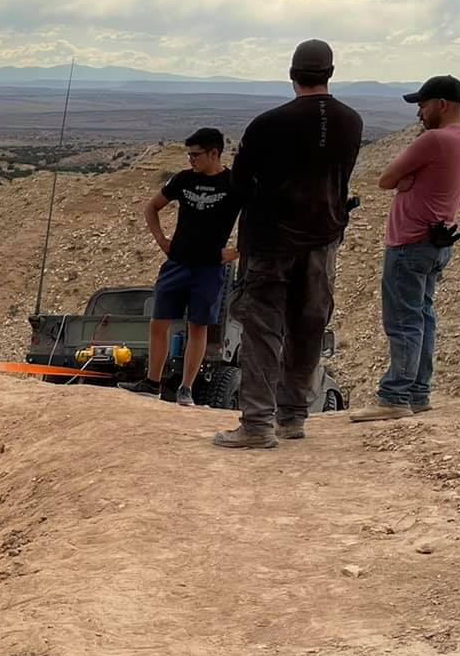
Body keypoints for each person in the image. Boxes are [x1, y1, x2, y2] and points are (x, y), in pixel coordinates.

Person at [211, 39, 363, 449]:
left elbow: (239, 184)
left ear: (292, 74)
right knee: (309, 327)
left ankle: (257, 425)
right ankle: (293, 417)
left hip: (269, 242)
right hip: (323, 240)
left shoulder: (267, 124)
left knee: (262, 331)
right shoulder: (352, 121)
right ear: (330, 73)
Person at [351, 75, 460, 422]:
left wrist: (405, 181)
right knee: (423, 316)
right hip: (437, 242)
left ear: (442, 105)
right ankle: (419, 393)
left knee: (403, 322)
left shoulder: (435, 140)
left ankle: (394, 397)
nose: (419, 113)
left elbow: (385, 179)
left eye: (423, 105)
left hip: (410, 243)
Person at [121, 128, 240, 405]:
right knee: (158, 322)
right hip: (177, 263)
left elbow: (258, 217)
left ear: (214, 153)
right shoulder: (184, 179)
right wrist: (161, 240)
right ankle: (152, 382)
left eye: (196, 155)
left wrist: (239, 251)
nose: (191, 160)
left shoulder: (234, 183)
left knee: (198, 327)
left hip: (209, 268)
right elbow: (152, 207)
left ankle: (186, 388)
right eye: (189, 154)